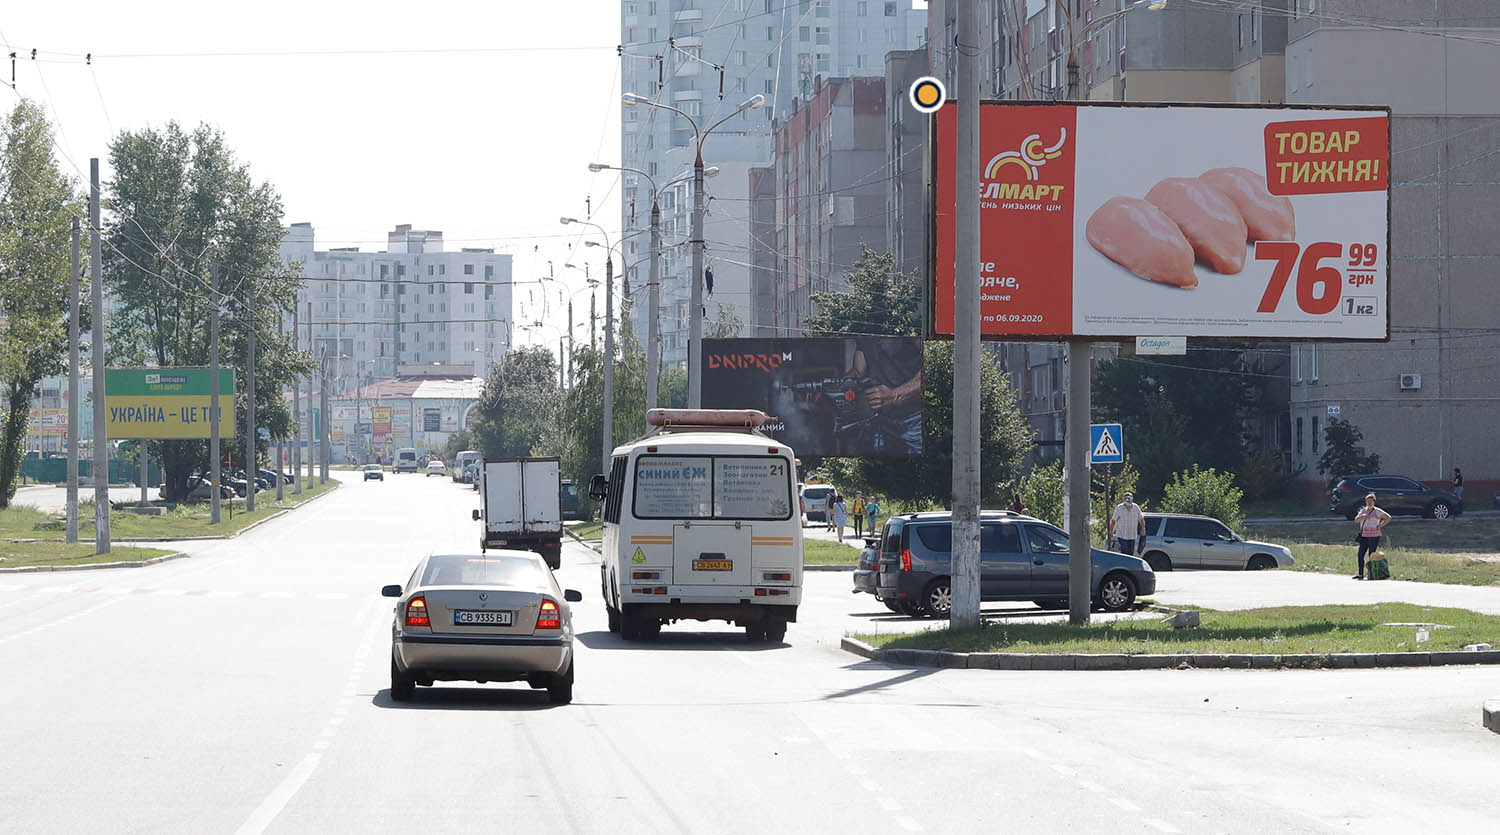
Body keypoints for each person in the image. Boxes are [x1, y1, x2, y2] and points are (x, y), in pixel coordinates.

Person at [1354, 492, 1391, 580]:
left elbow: (1388, 517)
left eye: (1371, 501)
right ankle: (1360, 574)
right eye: (1367, 501)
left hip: (1374, 535)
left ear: (1374, 502)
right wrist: (1362, 516)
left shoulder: (1377, 511)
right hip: (1364, 536)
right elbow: (1356, 520)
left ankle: (1371, 574)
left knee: (1371, 555)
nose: (1369, 503)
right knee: (1360, 555)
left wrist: (1380, 525)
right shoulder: (1363, 510)